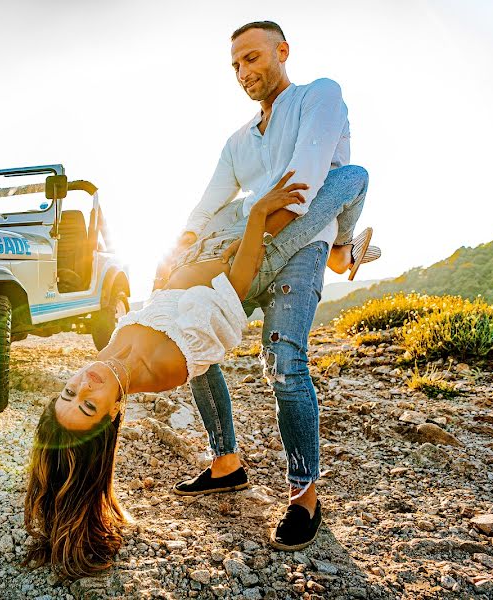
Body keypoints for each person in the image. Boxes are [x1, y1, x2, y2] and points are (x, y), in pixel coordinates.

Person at [23, 158, 373, 578]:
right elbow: (238, 284)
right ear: (113, 413)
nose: (84, 385)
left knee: (201, 366)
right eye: (88, 406)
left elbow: (162, 306)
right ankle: (305, 495)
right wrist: (257, 218)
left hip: (212, 251)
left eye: (69, 392)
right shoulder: (168, 362)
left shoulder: (107, 364)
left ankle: (226, 465)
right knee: (353, 179)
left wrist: (169, 267)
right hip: (261, 251)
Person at [166, 20, 378, 553]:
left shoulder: (318, 96)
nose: (243, 72)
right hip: (246, 247)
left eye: (253, 58)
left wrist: (254, 240)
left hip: (298, 246)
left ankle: (304, 493)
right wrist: (184, 246)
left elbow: (304, 184)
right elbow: (208, 202)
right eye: (235, 65)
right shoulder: (238, 141)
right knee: (199, 341)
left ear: (282, 51)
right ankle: (225, 462)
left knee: (284, 363)